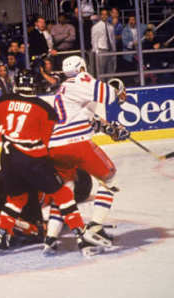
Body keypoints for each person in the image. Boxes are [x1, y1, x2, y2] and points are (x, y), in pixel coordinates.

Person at [0, 69, 84, 256]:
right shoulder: (45, 108)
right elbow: (45, 142)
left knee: (16, 199)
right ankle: (81, 232)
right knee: (62, 193)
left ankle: (1, 238)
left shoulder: (5, 100)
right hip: (32, 159)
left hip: (7, 158)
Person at [47, 56, 129, 255]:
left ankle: (50, 237)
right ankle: (95, 227)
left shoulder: (64, 89)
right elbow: (108, 94)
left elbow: (85, 119)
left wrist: (110, 129)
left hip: (55, 146)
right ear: (82, 67)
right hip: (77, 144)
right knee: (110, 178)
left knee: (65, 190)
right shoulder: (81, 80)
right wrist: (119, 91)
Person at [91, 8, 117, 75]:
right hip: (101, 50)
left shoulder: (111, 27)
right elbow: (94, 41)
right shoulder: (95, 27)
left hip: (110, 50)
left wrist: (114, 51)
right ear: (100, 16)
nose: (104, 16)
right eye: (102, 14)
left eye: (106, 14)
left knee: (110, 70)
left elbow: (113, 40)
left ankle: (109, 83)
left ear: (108, 16)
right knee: (101, 71)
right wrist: (97, 52)